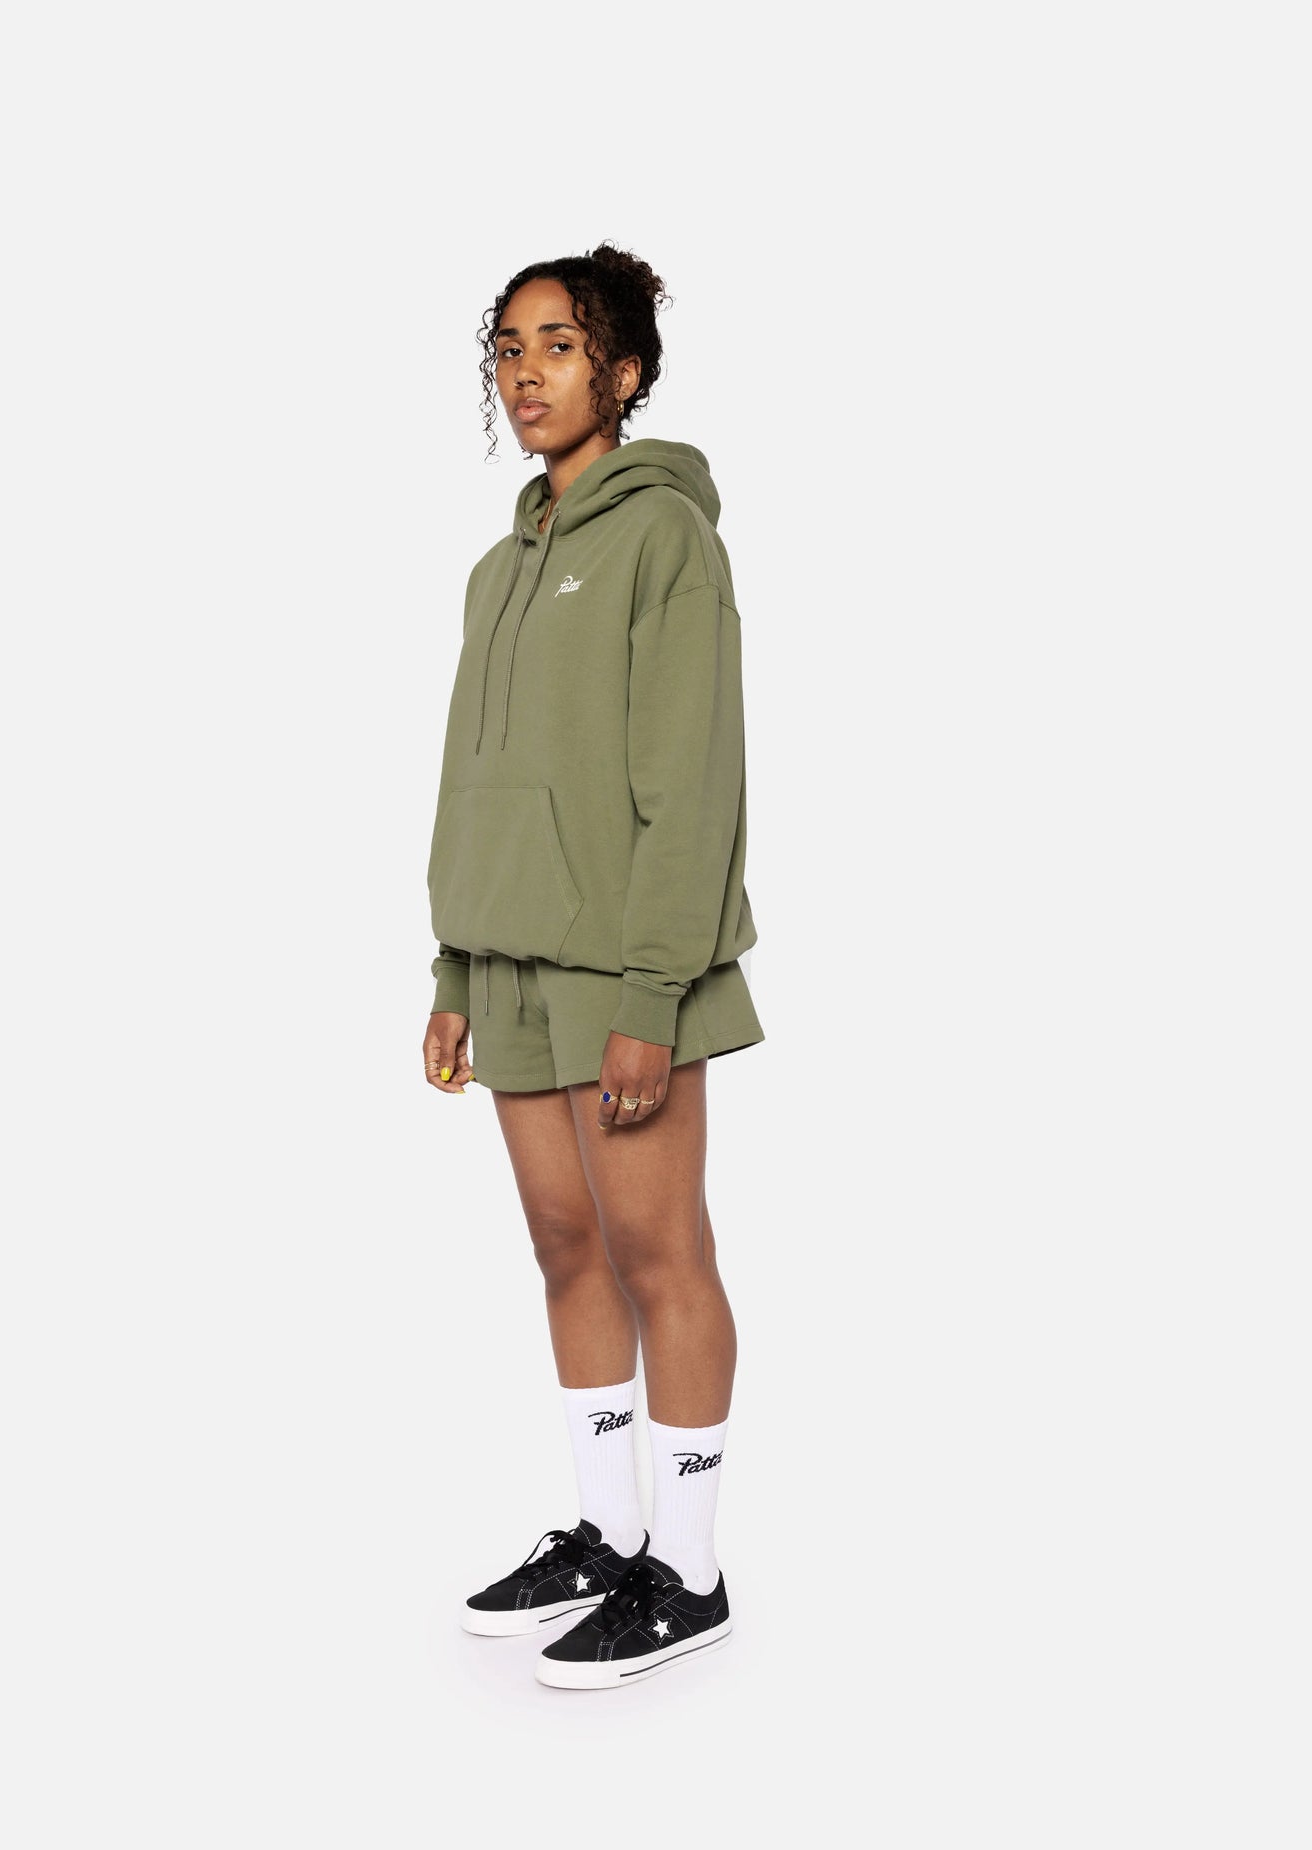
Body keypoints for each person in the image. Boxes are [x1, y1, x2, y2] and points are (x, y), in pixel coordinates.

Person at [421, 243, 764, 1689]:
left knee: (658, 1252)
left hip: (627, 967)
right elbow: (473, 776)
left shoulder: (665, 538)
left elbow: (693, 782)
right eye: (508, 349)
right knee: (567, 1248)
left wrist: (652, 994)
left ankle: (689, 1568)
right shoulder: (498, 570)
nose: (525, 374)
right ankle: (610, 1532)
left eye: (557, 346)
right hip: (508, 960)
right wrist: (452, 968)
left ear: (621, 371)